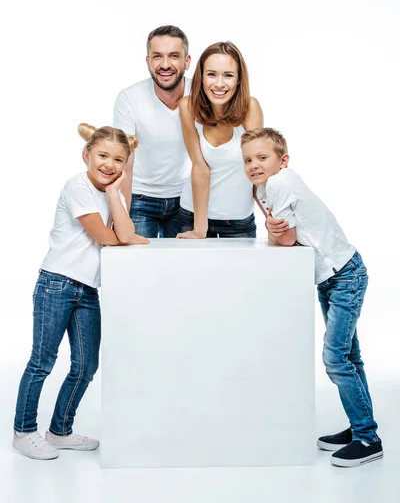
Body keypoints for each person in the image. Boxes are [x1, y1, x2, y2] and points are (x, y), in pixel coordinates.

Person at [241, 127, 383, 468]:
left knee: (336, 358)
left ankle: (368, 438)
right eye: (248, 160)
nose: (254, 165)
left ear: (282, 160)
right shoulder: (270, 186)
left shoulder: (279, 183)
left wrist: (274, 228)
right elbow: (282, 232)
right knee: (350, 356)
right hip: (332, 277)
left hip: (344, 275)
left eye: (262, 158)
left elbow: (285, 239)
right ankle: (359, 426)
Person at [13, 124, 149, 460]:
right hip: (56, 284)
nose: (110, 165)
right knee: (42, 362)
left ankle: (59, 431)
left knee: (86, 366)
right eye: (103, 156)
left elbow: (126, 230)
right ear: (86, 155)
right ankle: (24, 430)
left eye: (119, 160)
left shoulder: (108, 192)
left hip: (87, 289)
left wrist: (116, 193)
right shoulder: (77, 187)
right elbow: (108, 236)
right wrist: (125, 235)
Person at [177, 41, 263, 239]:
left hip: (238, 222)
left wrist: (272, 216)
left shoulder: (251, 108)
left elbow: (261, 170)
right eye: (212, 74)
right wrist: (200, 230)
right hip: (192, 216)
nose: (219, 84)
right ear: (201, 76)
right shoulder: (188, 106)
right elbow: (200, 167)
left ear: (239, 80)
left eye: (228, 75)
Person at [113, 25, 192, 238]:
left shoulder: (201, 95)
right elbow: (124, 161)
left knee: (186, 268)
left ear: (187, 61)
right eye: (157, 56)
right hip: (140, 198)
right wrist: (122, 217)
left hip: (186, 198)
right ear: (148, 61)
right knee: (136, 266)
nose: (165, 64)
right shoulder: (130, 98)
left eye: (174, 56)